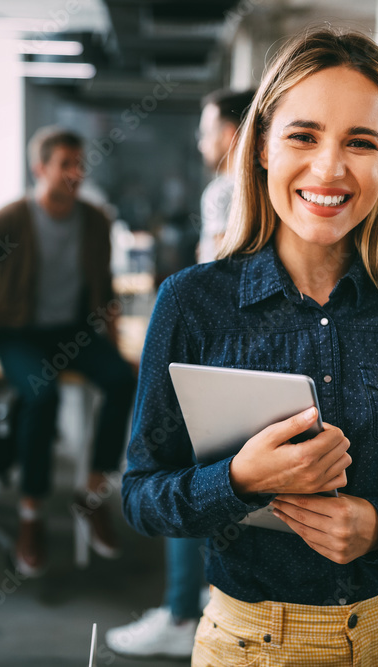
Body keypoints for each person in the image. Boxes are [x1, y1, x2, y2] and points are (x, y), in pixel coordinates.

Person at [121, 28, 378, 666]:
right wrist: (237, 480)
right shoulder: (191, 303)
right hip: (249, 641)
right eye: (304, 135)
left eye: (361, 142)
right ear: (263, 145)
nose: (329, 168)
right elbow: (141, 495)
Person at [0, 126, 136, 578]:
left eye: (80, 163)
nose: (76, 173)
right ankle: (30, 514)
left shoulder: (94, 220)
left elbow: (105, 291)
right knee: (41, 395)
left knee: (123, 380)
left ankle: (90, 495)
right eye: (65, 164)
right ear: (40, 169)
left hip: (73, 330)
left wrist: (114, 349)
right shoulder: (9, 220)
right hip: (17, 332)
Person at [105, 87, 255, 660]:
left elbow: (214, 280)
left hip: (215, 354)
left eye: (209, 127)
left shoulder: (225, 191)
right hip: (250, 355)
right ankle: (208, 607)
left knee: (184, 478)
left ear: (236, 132)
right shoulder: (267, 190)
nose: (201, 140)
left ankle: (180, 613)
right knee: (237, 488)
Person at [196, 88, 256, 263]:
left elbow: (223, 265)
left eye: (205, 134)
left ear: (229, 134)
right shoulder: (266, 186)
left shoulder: (220, 192)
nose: (201, 144)